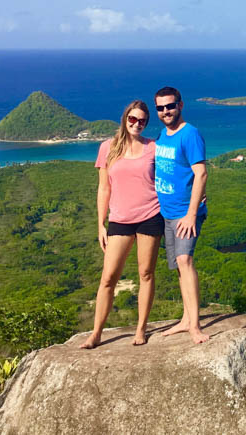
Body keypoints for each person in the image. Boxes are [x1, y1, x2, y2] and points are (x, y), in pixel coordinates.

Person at [80, 100, 163, 349]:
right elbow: (104, 188)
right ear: (125, 119)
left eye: (142, 121)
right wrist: (100, 224)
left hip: (150, 215)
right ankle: (96, 333)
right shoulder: (108, 147)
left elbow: (171, 176)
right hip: (119, 219)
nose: (137, 124)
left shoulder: (154, 148)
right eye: (133, 119)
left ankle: (141, 329)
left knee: (146, 274)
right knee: (108, 278)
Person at [154, 86, 209, 344]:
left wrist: (191, 214)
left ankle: (195, 326)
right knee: (178, 266)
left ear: (180, 105)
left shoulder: (190, 134)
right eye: (161, 107)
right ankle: (186, 318)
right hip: (167, 213)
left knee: (185, 261)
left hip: (185, 214)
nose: (166, 111)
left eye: (170, 105)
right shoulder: (163, 135)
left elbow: (201, 173)